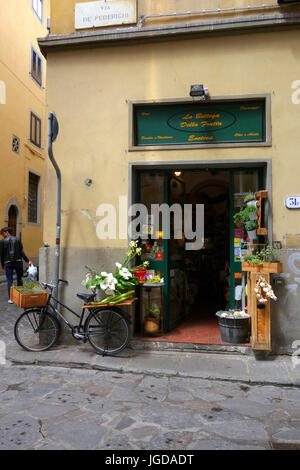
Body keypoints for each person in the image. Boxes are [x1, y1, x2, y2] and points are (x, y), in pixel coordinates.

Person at [0, 227, 32, 303]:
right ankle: (20, 296)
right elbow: (21, 252)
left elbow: (1, 254)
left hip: (8, 262)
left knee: (10, 280)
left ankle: (11, 298)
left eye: (2, 234)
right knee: (20, 279)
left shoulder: (2, 241)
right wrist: (28, 261)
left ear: (6, 232)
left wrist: (2, 264)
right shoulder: (17, 239)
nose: (2, 235)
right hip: (18, 261)